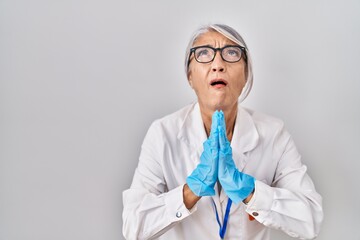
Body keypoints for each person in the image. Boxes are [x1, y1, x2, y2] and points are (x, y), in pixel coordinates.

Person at [122, 23, 323, 240]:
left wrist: (251, 193)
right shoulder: (163, 134)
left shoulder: (273, 134)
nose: (218, 64)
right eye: (204, 53)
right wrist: (190, 191)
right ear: (190, 76)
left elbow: (309, 220)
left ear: (246, 75)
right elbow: (134, 226)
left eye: (231, 53)